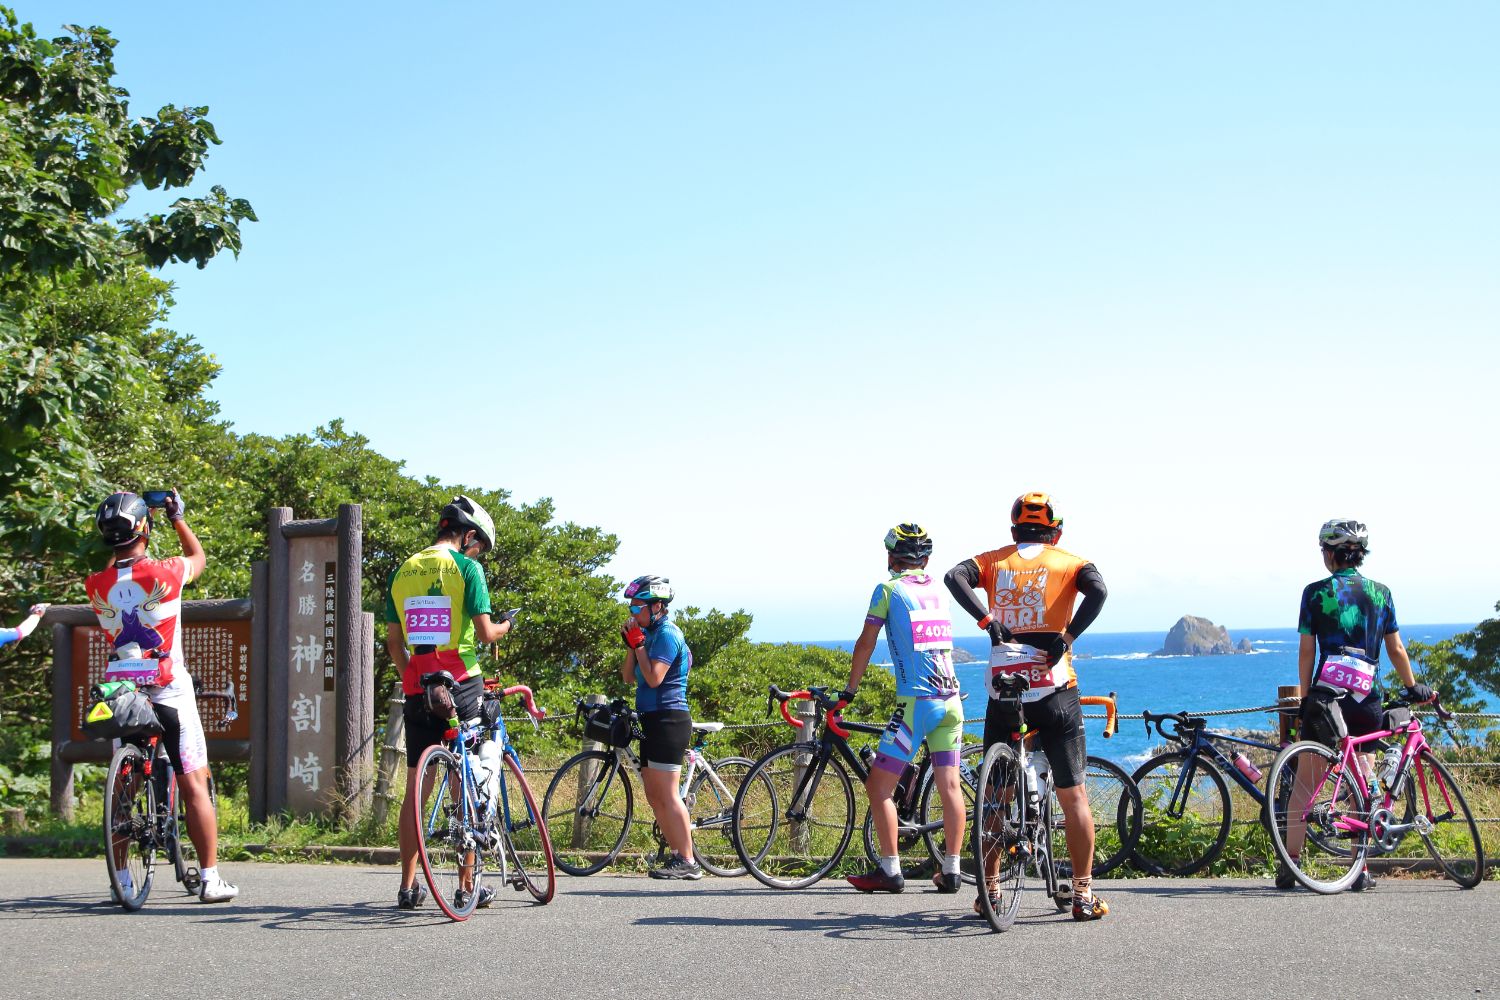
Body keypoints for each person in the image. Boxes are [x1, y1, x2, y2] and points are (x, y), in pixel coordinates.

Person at [944, 492, 1109, 921]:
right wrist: (1068, 637)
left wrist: (987, 620)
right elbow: (1099, 591)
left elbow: (953, 575)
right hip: (1055, 689)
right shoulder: (1070, 562)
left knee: (995, 797)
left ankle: (990, 893)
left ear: (1013, 530)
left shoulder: (995, 561)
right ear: (1056, 532)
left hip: (1005, 691)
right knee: (1074, 796)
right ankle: (1082, 895)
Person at [85, 489, 237, 903]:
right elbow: (199, 559)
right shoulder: (167, 572)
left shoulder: (95, 584)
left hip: (123, 691)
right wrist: (177, 517)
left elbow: (114, 576)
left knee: (124, 792)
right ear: (145, 529)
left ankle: (123, 880)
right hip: (168, 686)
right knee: (192, 781)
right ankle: (209, 878)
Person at [1280, 518, 1431, 892]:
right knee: (1361, 782)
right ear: (1359, 554)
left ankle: (1291, 866)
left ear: (1331, 553)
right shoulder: (1381, 593)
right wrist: (1413, 686)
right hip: (1367, 700)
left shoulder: (1315, 593)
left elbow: (1306, 650)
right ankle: (1359, 869)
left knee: (1307, 783)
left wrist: (1302, 696)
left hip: (1327, 700)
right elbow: (1395, 649)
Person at [385, 495, 515, 910]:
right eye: (479, 547)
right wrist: (508, 623)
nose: (479, 555)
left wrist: (418, 675)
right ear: (469, 536)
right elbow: (486, 633)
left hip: (417, 687)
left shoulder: (403, 570)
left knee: (416, 789)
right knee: (468, 782)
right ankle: (465, 885)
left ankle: (408, 887)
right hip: (461, 685)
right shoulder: (467, 569)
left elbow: (393, 642)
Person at [842, 524, 967, 894]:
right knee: (950, 788)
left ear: (890, 558)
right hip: (951, 702)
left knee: (879, 786)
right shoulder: (938, 592)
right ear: (925, 559)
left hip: (916, 703)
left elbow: (866, 643)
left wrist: (850, 689)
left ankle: (890, 869)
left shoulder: (888, 590)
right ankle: (953, 870)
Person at [618, 574, 699, 880]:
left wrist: (639, 646)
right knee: (653, 794)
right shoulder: (647, 634)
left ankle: (689, 861)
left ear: (657, 607)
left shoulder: (667, 634)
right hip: (650, 717)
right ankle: (678, 855)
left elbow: (654, 679)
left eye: (637, 607)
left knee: (668, 793)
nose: (632, 613)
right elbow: (629, 677)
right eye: (631, 607)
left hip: (669, 718)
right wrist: (632, 644)